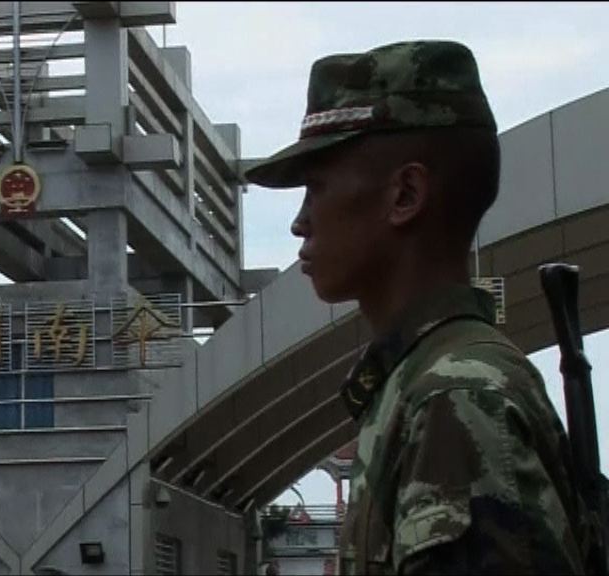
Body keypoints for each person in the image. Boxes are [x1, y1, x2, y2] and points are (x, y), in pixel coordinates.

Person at [245, 40, 590, 574]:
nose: (299, 222)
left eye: (316, 187)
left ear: (405, 194)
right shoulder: (424, 385)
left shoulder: (454, 397)